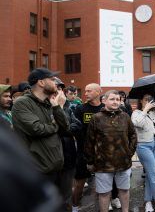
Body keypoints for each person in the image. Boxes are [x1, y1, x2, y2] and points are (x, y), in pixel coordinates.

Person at [12, 68, 69, 183]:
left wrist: (57, 107)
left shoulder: (50, 103)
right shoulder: (22, 103)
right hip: (37, 171)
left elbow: (66, 129)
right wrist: (55, 125)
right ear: (41, 82)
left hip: (55, 168)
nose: (56, 83)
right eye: (52, 80)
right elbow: (37, 129)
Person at [85, 90, 137, 212]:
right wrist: (90, 161)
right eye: (112, 99)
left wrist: (129, 153)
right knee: (104, 193)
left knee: (124, 190)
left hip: (123, 163)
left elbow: (133, 135)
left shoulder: (125, 116)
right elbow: (89, 142)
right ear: (104, 100)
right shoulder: (96, 118)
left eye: (118, 99)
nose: (115, 102)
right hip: (103, 165)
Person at [72, 83, 107, 212]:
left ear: (98, 92)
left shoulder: (105, 108)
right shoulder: (80, 109)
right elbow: (75, 129)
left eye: (89, 91)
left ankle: (100, 207)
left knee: (102, 184)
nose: (85, 93)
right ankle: (75, 207)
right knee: (79, 183)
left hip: (102, 152)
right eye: (85, 91)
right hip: (83, 152)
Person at [53, 78, 82, 211]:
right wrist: (58, 108)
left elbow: (77, 125)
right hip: (51, 159)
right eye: (55, 88)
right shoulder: (42, 107)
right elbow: (58, 128)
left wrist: (66, 127)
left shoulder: (67, 107)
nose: (58, 92)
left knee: (66, 195)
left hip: (68, 155)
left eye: (60, 89)